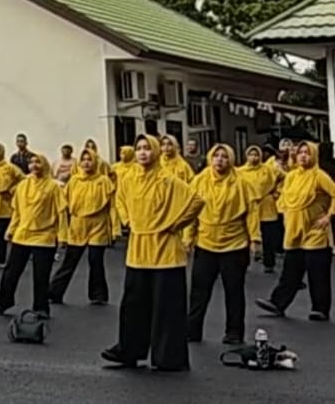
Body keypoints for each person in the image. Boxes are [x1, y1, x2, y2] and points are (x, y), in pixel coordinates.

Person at [101, 135, 202, 372]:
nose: (143, 153)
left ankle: (168, 357)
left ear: (156, 152)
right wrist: (128, 221)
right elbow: (120, 200)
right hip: (138, 251)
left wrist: (175, 225)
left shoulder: (167, 179)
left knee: (166, 308)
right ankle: (129, 350)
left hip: (166, 253)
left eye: (147, 148)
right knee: (133, 305)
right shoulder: (129, 178)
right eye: (139, 148)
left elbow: (196, 202)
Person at [255, 140, 335, 320]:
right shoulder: (291, 177)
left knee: (318, 273)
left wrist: (328, 216)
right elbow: (284, 198)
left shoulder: (319, 176)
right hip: (294, 230)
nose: (304, 156)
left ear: (314, 155)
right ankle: (277, 303)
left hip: (315, 232)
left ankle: (320, 309)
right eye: (300, 153)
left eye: (307, 152)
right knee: (291, 271)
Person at [187, 144, 257, 345]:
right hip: (206, 242)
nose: (219, 160)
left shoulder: (242, 182)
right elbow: (191, 212)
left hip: (234, 244)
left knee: (234, 291)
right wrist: (187, 238)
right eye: (216, 156)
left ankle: (234, 332)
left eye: (224, 156)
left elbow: (252, 212)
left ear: (231, 159)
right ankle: (192, 329)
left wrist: (255, 239)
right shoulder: (199, 181)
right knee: (199, 291)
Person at [0, 153, 63, 318]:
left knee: (41, 275)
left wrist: (62, 236)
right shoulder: (22, 186)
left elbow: (61, 213)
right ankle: (4, 303)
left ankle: (41, 308)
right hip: (22, 234)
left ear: (44, 164)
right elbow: (17, 211)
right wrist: (11, 229)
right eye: (31, 162)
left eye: (38, 162)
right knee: (11, 272)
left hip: (44, 236)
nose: (34, 165)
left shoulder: (54, 187)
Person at [50, 148, 115, 306]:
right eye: (83, 160)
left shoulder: (104, 181)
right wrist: (60, 232)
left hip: (98, 225)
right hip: (78, 225)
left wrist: (115, 229)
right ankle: (54, 293)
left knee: (96, 260)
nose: (86, 162)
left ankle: (98, 295)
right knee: (70, 261)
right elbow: (63, 204)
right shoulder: (74, 181)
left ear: (95, 161)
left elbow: (113, 206)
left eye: (89, 159)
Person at [237, 145, 283, 273]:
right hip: (248, 208)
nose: (254, 157)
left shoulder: (269, 170)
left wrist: (277, 192)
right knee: (244, 238)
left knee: (269, 237)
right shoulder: (240, 172)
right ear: (247, 156)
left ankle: (269, 263)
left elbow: (284, 177)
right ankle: (243, 262)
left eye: (256, 155)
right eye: (251, 155)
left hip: (266, 207)